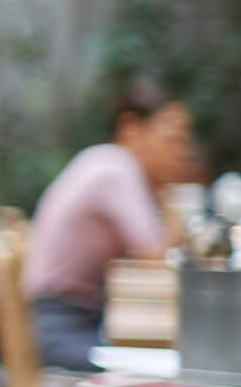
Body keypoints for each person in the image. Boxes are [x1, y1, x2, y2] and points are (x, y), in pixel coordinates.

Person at [23, 79, 192, 370]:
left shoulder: (108, 163)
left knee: (157, 362)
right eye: (172, 139)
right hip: (58, 329)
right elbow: (156, 260)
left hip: (72, 320)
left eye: (184, 141)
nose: (181, 152)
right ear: (131, 129)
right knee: (154, 369)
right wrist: (170, 202)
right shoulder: (116, 170)